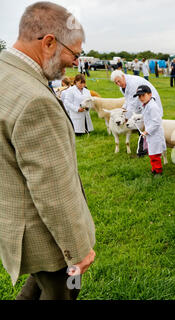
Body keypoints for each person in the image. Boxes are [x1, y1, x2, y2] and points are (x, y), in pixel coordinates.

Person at [0, 1, 95, 300]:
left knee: (39, 287)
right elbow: (51, 188)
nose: (75, 64)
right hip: (44, 235)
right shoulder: (34, 100)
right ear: (49, 42)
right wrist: (76, 251)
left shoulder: (6, 72)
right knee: (64, 293)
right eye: (74, 54)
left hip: (14, 220)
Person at [110, 70, 163, 156]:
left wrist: (125, 118)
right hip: (142, 103)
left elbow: (132, 103)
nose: (118, 84)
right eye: (116, 83)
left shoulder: (132, 84)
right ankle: (146, 147)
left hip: (149, 101)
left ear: (123, 76)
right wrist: (123, 108)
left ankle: (148, 149)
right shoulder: (122, 86)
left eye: (119, 81)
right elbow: (128, 99)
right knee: (142, 124)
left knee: (150, 125)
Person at [134, 85, 166, 176]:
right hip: (151, 135)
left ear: (150, 94)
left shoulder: (153, 107)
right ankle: (154, 169)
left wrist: (146, 131)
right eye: (139, 96)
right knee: (151, 153)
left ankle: (158, 171)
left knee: (155, 155)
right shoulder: (146, 105)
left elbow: (156, 122)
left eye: (143, 95)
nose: (141, 98)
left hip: (155, 134)